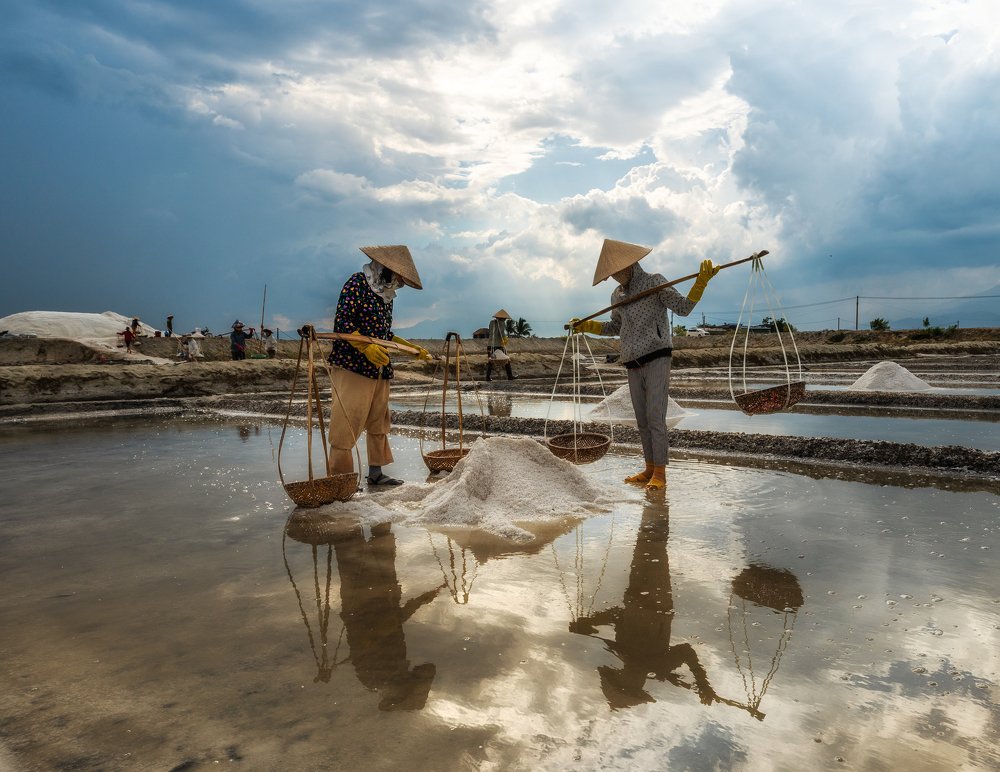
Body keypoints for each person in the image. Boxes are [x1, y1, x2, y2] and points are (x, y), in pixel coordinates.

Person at [571, 239, 721, 491]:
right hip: (632, 360)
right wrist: (587, 326)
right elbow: (615, 327)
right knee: (641, 419)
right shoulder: (617, 295)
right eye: (610, 274)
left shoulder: (654, 282)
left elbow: (683, 308)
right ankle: (650, 467)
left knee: (655, 417)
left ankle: (660, 472)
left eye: (616, 271)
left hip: (657, 356)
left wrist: (701, 282)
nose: (614, 277)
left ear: (629, 264)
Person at [326, 245, 431, 489]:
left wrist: (410, 348)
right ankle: (340, 479)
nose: (400, 283)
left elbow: (385, 334)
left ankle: (376, 473)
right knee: (347, 421)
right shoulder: (357, 284)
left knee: (378, 421)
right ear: (384, 269)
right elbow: (342, 324)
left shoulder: (386, 296)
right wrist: (365, 348)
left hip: (379, 367)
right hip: (352, 365)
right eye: (398, 277)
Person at [484, 309, 517, 381]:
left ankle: (487, 377)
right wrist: (505, 339)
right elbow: (501, 333)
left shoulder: (491, 323)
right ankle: (510, 376)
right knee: (506, 360)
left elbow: (491, 332)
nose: (505, 320)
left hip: (490, 345)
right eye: (505, 318)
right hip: (498, 345)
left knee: (490, 360)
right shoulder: (502, 323)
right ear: (502, 318)